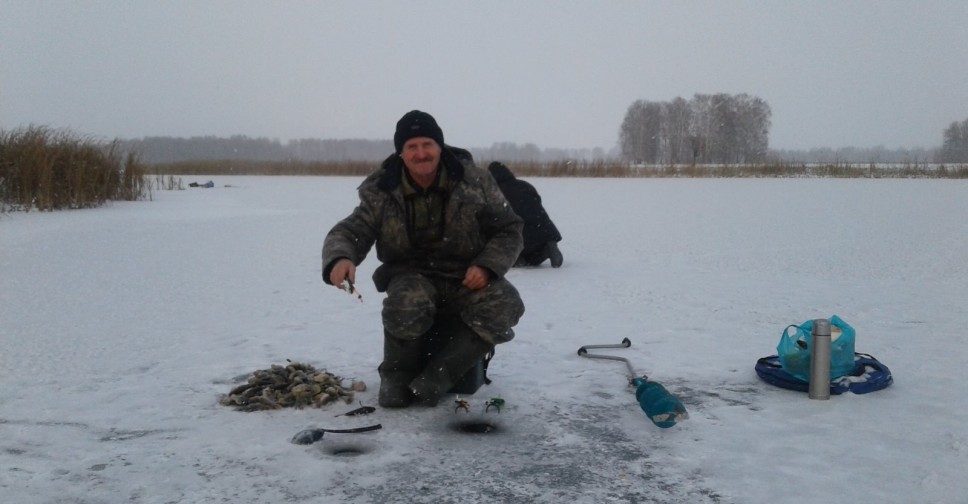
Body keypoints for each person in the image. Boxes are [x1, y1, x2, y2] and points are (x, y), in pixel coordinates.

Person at [321, 110, 526, 408]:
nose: (421, 153)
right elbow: (354, 228)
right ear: (401, 153)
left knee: (506, 303)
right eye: (411, 147)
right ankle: (396, 377)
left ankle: (437, 378)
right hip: (410, 274)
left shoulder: (476, 180)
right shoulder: (381, 188)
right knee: (407, 301)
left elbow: (509, 229)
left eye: (427, 144)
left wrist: (487, 265)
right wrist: (340, 256)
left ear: (439, 146)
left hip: (464, 275)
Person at [486, 161, 564, 268]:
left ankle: (524, 257)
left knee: (517, 260)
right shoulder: (525, 185)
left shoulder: (494, 192)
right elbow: (537, 203)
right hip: (545, 231)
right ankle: (546, 249)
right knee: (533, 251)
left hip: (520, 235)